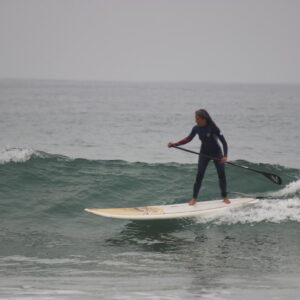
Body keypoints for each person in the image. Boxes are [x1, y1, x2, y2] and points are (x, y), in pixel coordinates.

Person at [168, 109, 230, 205]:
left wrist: (225, 156)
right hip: (204, 154)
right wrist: (175, 144)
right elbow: (188, 139)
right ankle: (194, 198)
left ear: (203, 118)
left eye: (197, 119)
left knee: (221, 175)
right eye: (195, 118)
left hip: (217, 154)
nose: (195, 120)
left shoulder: (213, 128)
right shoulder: (196, 128)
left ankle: (225, 197)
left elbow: (224, 142)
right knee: (199, 175)